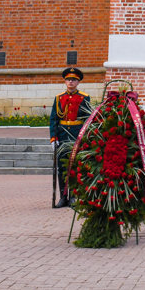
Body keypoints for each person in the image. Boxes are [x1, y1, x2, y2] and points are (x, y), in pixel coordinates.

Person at [50, 66, 93, 208]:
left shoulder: (84, 97)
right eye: (68, 80)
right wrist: (53, 138)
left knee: (75, 166)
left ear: (78, 82)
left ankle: (74, 195)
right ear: (65, 81)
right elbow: (53, 120)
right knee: (62, 167)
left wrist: (85, 137)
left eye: (73, 80)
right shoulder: (58, 98)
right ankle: (63, 196)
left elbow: (87, 119)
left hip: (76, 134)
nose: (70, 82)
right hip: (62, 135)